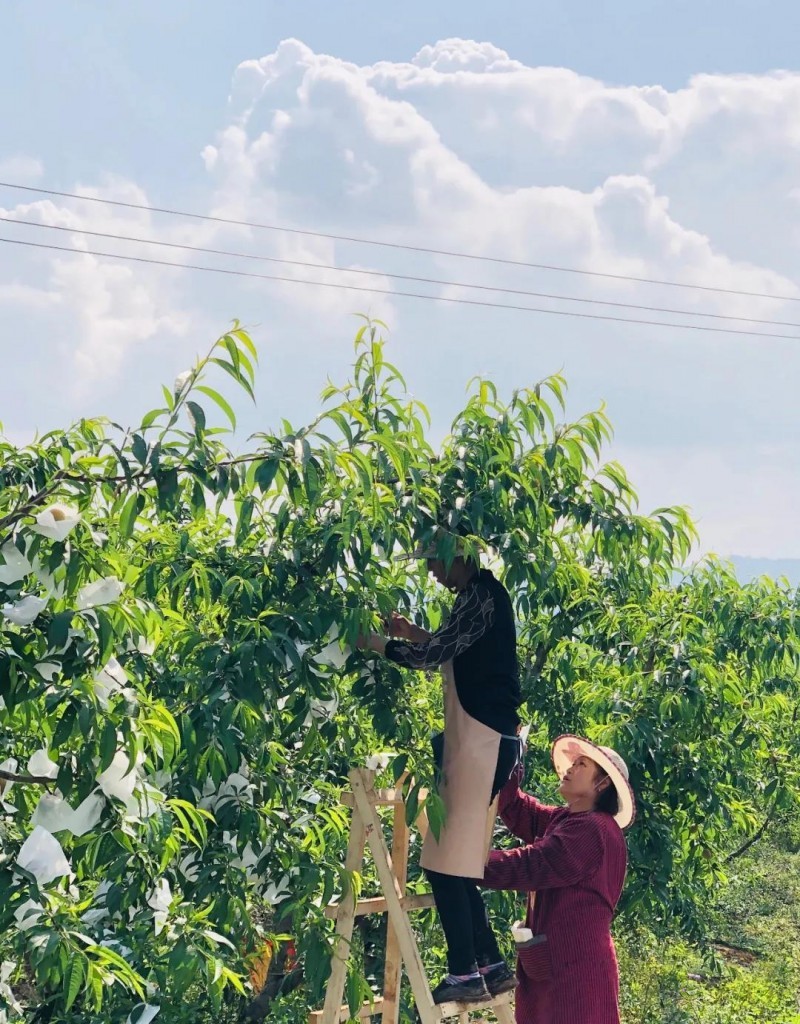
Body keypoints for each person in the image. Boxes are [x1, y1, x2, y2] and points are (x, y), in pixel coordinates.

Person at [357, 533, 523, 1003]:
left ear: (458, 556)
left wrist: (375, 643)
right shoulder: (479, 597)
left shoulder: (481, 596)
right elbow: (453, 650)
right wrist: (413, 635)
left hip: (482, 741)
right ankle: (488, 962)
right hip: (482, 741)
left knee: (445, 861)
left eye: (434, 560)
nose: (431, 571)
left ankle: (465, 971)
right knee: (453, 861)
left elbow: (434, 657)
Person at [481, 735, 635, 1024]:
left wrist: (467, 863)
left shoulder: (593, 830)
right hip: (553, 960)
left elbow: (533, 864)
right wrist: (511, 757)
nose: (570, 768)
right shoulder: (566, 820)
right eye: (573, 763)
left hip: (578, 967)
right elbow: (516, 809)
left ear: (601, 785)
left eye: (581, 765)